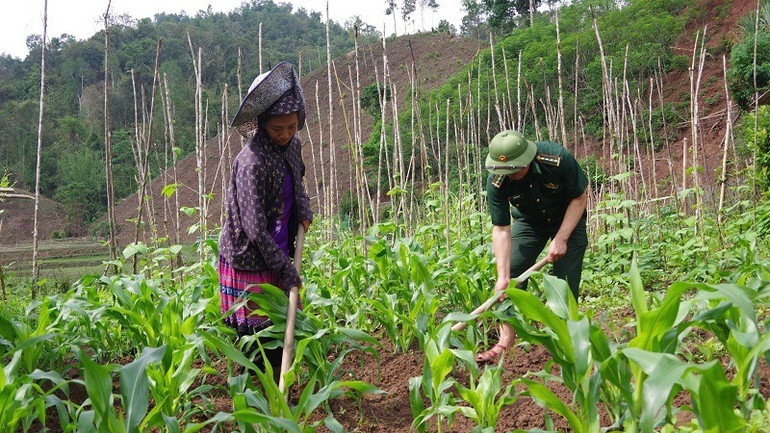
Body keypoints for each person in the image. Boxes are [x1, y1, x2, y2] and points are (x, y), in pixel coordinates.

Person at [218, 61, 313, 376]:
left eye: (292, 126)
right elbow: (256, 230)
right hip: (252, 257)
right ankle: (255, 390)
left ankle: (278, 379)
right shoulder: (251, 163)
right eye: (277, 129)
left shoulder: (292, 144)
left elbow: (297, 182)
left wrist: (304, 209)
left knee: (280, 327)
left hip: (279, 246)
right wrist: (287, 270)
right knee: (256, 340)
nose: (286, 134)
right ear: (260, 124)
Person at [476, 129, 588, 364]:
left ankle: (565, 339)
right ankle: (505, 341)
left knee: (564, 282)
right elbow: (501, 229)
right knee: (511, 276)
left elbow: (580, 197)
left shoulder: (557, 160)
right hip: (529, 222)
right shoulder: (497, 179)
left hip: (567, 218)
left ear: (526, 160)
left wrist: (561, 238)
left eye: (514, 170)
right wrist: (502, 276)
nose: (510, 175)